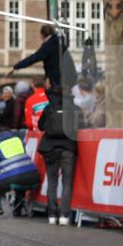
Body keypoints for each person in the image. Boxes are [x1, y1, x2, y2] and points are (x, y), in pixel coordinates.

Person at [38, 82, 78, 225]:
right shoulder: (74, 108)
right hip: (68, 147)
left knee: (52, 181)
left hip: (50, 148)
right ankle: (64, 215)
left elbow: (40, 126)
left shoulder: (49, 108)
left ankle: (52, 214)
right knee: (67, 182)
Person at [0, 126, 40, 218]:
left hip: (14, 179)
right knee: (20, 174)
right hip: (33, 178)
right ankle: (17, 210)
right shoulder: (18, 141)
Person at [6, 24, 68, 88]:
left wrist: (15, 67)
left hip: (55, 80)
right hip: (65, 77)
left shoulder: (48, 46)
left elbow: (33, 58)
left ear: (42, 35)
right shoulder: (59, 42)